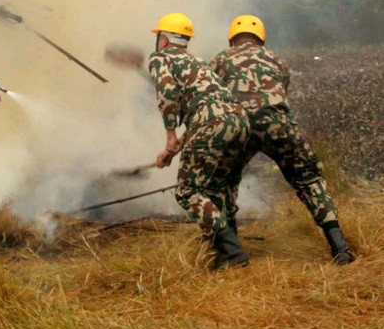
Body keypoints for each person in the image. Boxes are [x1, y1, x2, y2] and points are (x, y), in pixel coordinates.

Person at [210, 15, 354, 264]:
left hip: (238, 125)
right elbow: (281, 89)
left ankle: (231, 252)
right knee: (309, 180)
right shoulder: (276, 59)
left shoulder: (220, 59)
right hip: (279, 125)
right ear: (261, 39)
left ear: (232, 38)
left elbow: (212, 94)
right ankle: (340, 248)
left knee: (223, 181)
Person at [148, 13, 251, 270]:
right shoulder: (198, 62)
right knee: (217, 188)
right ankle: (223, 254)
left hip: (211, 123)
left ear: (163, 39)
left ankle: (234, 253)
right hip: (239, 121)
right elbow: (211, 110)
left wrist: (171, 135)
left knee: (188, 190)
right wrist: (174, 148)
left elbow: (168, 94)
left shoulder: (161, 58)